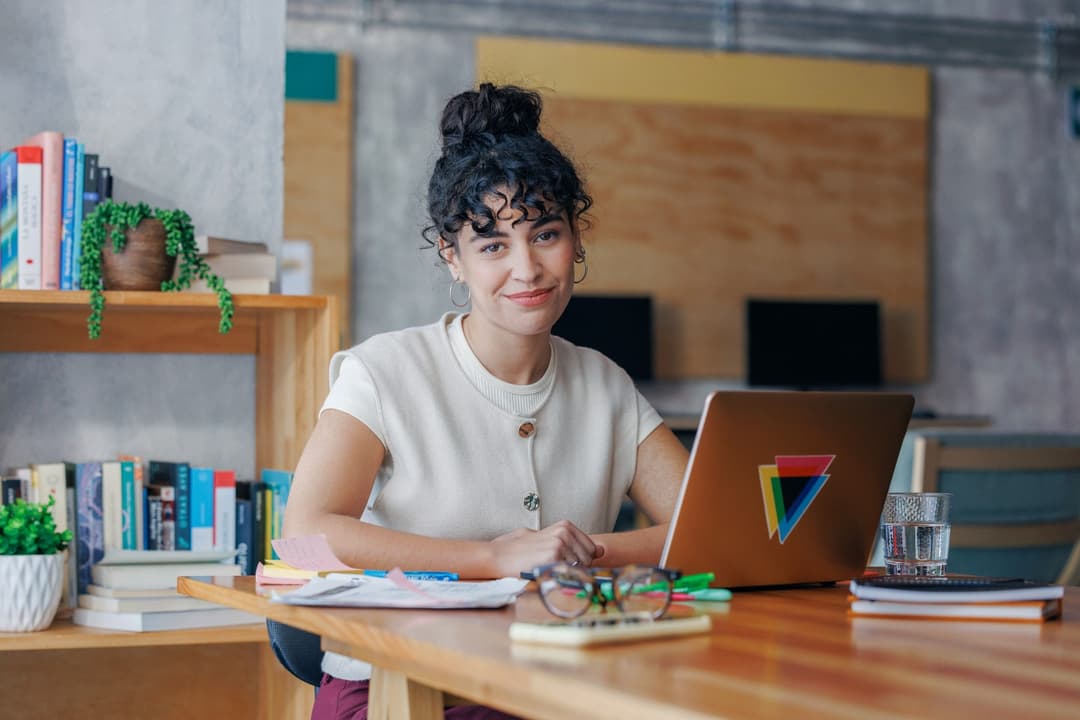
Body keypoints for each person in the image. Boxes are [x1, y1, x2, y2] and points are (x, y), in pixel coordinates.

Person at [283, 82, 689, 720]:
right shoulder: (383, 371)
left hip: (553, 682)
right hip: (403, 687)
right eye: (493, 244)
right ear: (453, 258)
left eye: (545, 234)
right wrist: (491, 557)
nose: (526, 268)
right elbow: (304, 534)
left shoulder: (606, 384)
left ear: (576, 239)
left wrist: (578, 552)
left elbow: (707, 531)